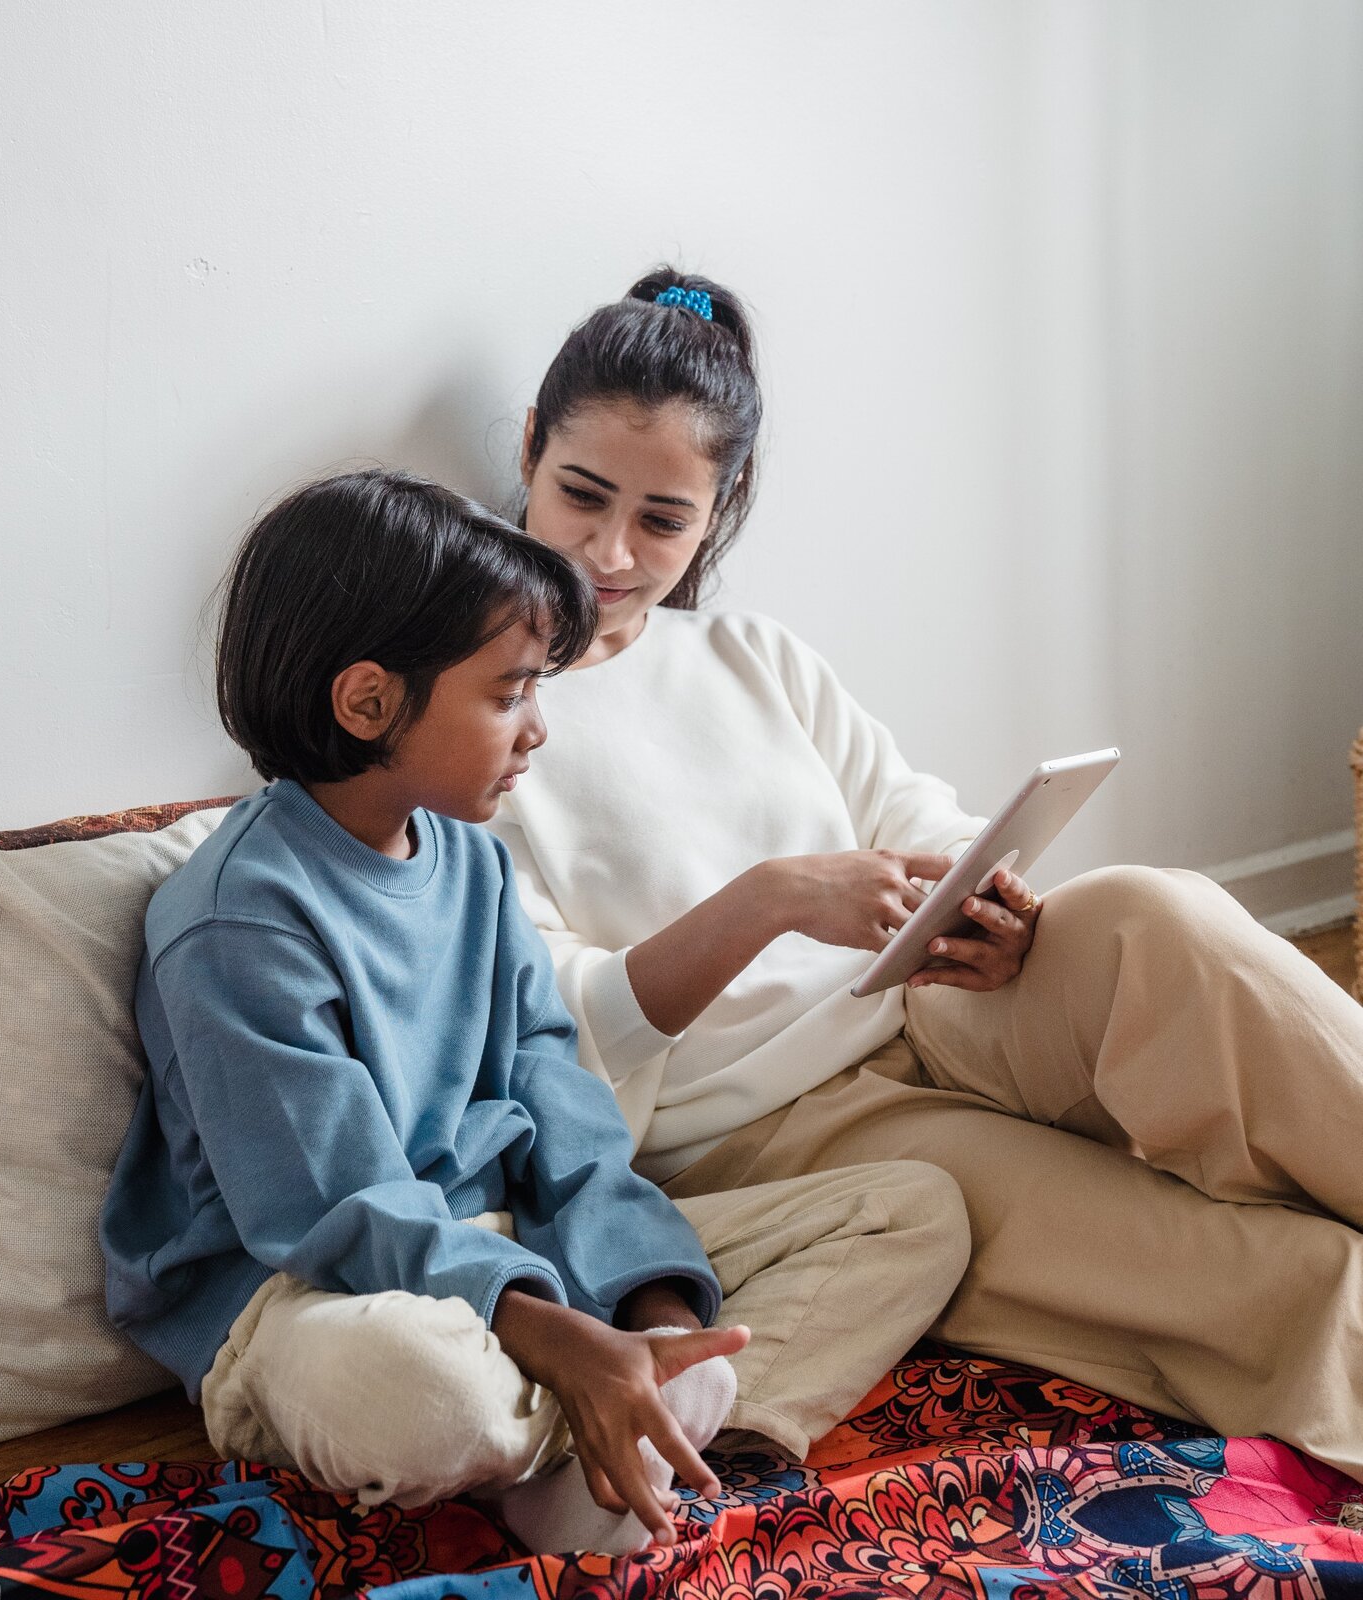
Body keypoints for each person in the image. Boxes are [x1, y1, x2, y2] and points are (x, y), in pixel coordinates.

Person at [491, 269, 1363, 1481]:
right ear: (530, 447)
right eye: (581, 495)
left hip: (931, 1004)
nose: (612, 550)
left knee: (1158, 914)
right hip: (771, 1131)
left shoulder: (751, 654)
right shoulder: (484, 720)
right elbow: (553, 1028)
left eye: (664, 519)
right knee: (1289, 1275)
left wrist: (986, 898)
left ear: (719, 506)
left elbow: (918, 817)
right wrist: (775, 900)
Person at [99, 468, 971, 1556]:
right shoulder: (236, 918)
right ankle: (619, 1443)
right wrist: (560, 1336)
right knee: (421, 1392)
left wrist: (654, 1309)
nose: (538, 730)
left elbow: (566, 1116)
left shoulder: (475, 866)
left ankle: (640, 1417)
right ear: (369, 702)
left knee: (913, 1213)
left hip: (509, 1255)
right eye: (510, 692)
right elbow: (335, 1210)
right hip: (307, 1296)